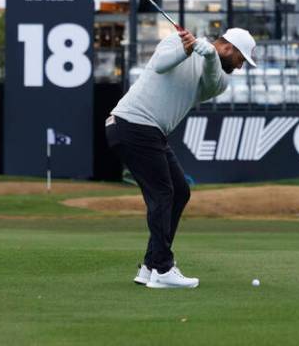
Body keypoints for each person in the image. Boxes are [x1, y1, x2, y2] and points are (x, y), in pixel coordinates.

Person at [105, 26, 256, 289]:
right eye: (241, 59)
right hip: (132, 123)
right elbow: (160, 65)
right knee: (163, 193)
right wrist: (184, 50)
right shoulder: (176, 40)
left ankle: (151, 265)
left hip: (150, 132)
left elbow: (210, 81)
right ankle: (163, 268)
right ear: (229, 48)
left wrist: (209, 56)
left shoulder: (221, 79)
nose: (241, 67)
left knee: (180, 191)